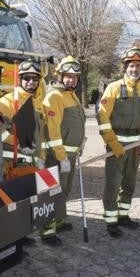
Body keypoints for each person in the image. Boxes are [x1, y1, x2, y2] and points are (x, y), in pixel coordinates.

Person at [0, 59, 55, 246]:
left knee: (31, 200)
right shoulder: (6, 102)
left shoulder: (38, 103)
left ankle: (27, 233)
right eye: (27, 78)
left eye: (34, 78)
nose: (31, 82)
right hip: (14, 163)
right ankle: (13, 238)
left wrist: (42, 158)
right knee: (13, 201)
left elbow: (41, 135)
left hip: (34, 161)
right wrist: (19, 144)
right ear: (19, 79)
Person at [96, 47, 140, 238]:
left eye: (137, 65)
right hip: (117, 145)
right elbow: (102, 116)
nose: (134, 69)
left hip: (135, 146)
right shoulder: (113, 88)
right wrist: (112, 142)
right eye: (131, 65)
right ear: (125, 67)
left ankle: (123, 215)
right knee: (113, 184)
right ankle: (111, 221)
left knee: (129, 183)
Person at [43, 56, 86, 234]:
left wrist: (80, 145)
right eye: (68, 76)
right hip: (54, 156)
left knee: (63, 191)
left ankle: (58, 221)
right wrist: (61, 156)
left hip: (69, 155)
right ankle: (47, 231)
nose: (71, 79)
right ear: (59, 76)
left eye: (75, 77)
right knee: (49, 192)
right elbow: (52, 131)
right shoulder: (54, 96)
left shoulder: (70, 95)